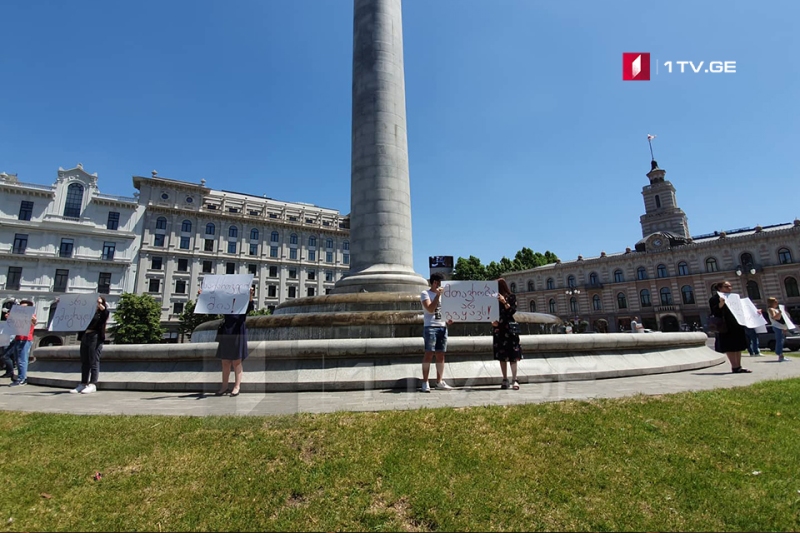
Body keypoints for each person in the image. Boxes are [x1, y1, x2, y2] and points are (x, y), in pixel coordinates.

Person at [213, 286, 255, 396]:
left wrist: (250, 294)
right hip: (227, 332)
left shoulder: (242, 304)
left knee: (237, 361)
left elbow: (250, 307)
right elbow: (213, 305)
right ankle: (224, 386)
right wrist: (203, 295)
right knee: (225, 361)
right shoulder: (226, 304)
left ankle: (237, 386)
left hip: (238, 332)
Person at [420, 273, 454, 392]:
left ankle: (439, 381)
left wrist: (449, 318)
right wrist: (437, 295)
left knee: (440, 355)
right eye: (439, 283)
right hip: (430, 326)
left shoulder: (445, 296)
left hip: (442, 326)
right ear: (434, 283)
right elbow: (430, 309)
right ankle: (425, 382)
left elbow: (445, 310)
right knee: (429, 354)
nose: (441, 286)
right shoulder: (425, 294)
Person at [709, 280, 750, 373]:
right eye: (726, 286)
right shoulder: (714, 299)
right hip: (725, 326)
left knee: (738, 346)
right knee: (730, 346)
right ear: (720, 288)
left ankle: (739, 366)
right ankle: (734, 366)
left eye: (730, 286)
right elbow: (714, 312)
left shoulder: (734, 297)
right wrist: (721, 304)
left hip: (737, 324)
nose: (729, 288)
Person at [71, 297, 110, 394]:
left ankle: (93, 384)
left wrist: (101, 307)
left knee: (93, 360)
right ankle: (83, 383)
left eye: (99, 302)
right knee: (85, 361)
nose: (96, 303)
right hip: (85, 336)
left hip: (95, 336)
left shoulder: (101, 313)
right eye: (95, 301)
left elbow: (106, 314)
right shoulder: (86, 313)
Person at [492, 278, 523, 390]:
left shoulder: (511, 297)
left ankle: (515, 379)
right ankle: (505, 379)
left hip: (510, 329)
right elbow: (490, 312)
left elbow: (512, 311)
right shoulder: (492, 299)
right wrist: (492, 321)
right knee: (502, 355)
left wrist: (504, 301)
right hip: (499, 329)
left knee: (513, 355)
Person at [10, 300, 37, 387]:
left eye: (23, 307)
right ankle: (20, 377)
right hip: (18, 338)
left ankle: (22, 379)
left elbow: (34, 322)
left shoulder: (31, 316)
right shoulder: (19, 316)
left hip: (26, 339)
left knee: (22, 360)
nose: (21, 308)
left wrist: (33, 319)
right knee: (18, 360)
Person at [767, 297, 794, 363]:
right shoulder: (771, 309)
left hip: (780, 327)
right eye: (775, 302)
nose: (777, 303)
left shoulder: (775, 309)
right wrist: (779, 313)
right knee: (779, 341)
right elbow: (775, 317)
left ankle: (781, 355)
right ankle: (780, 355)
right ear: (772, 303)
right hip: (777, 327)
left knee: (781, 340)